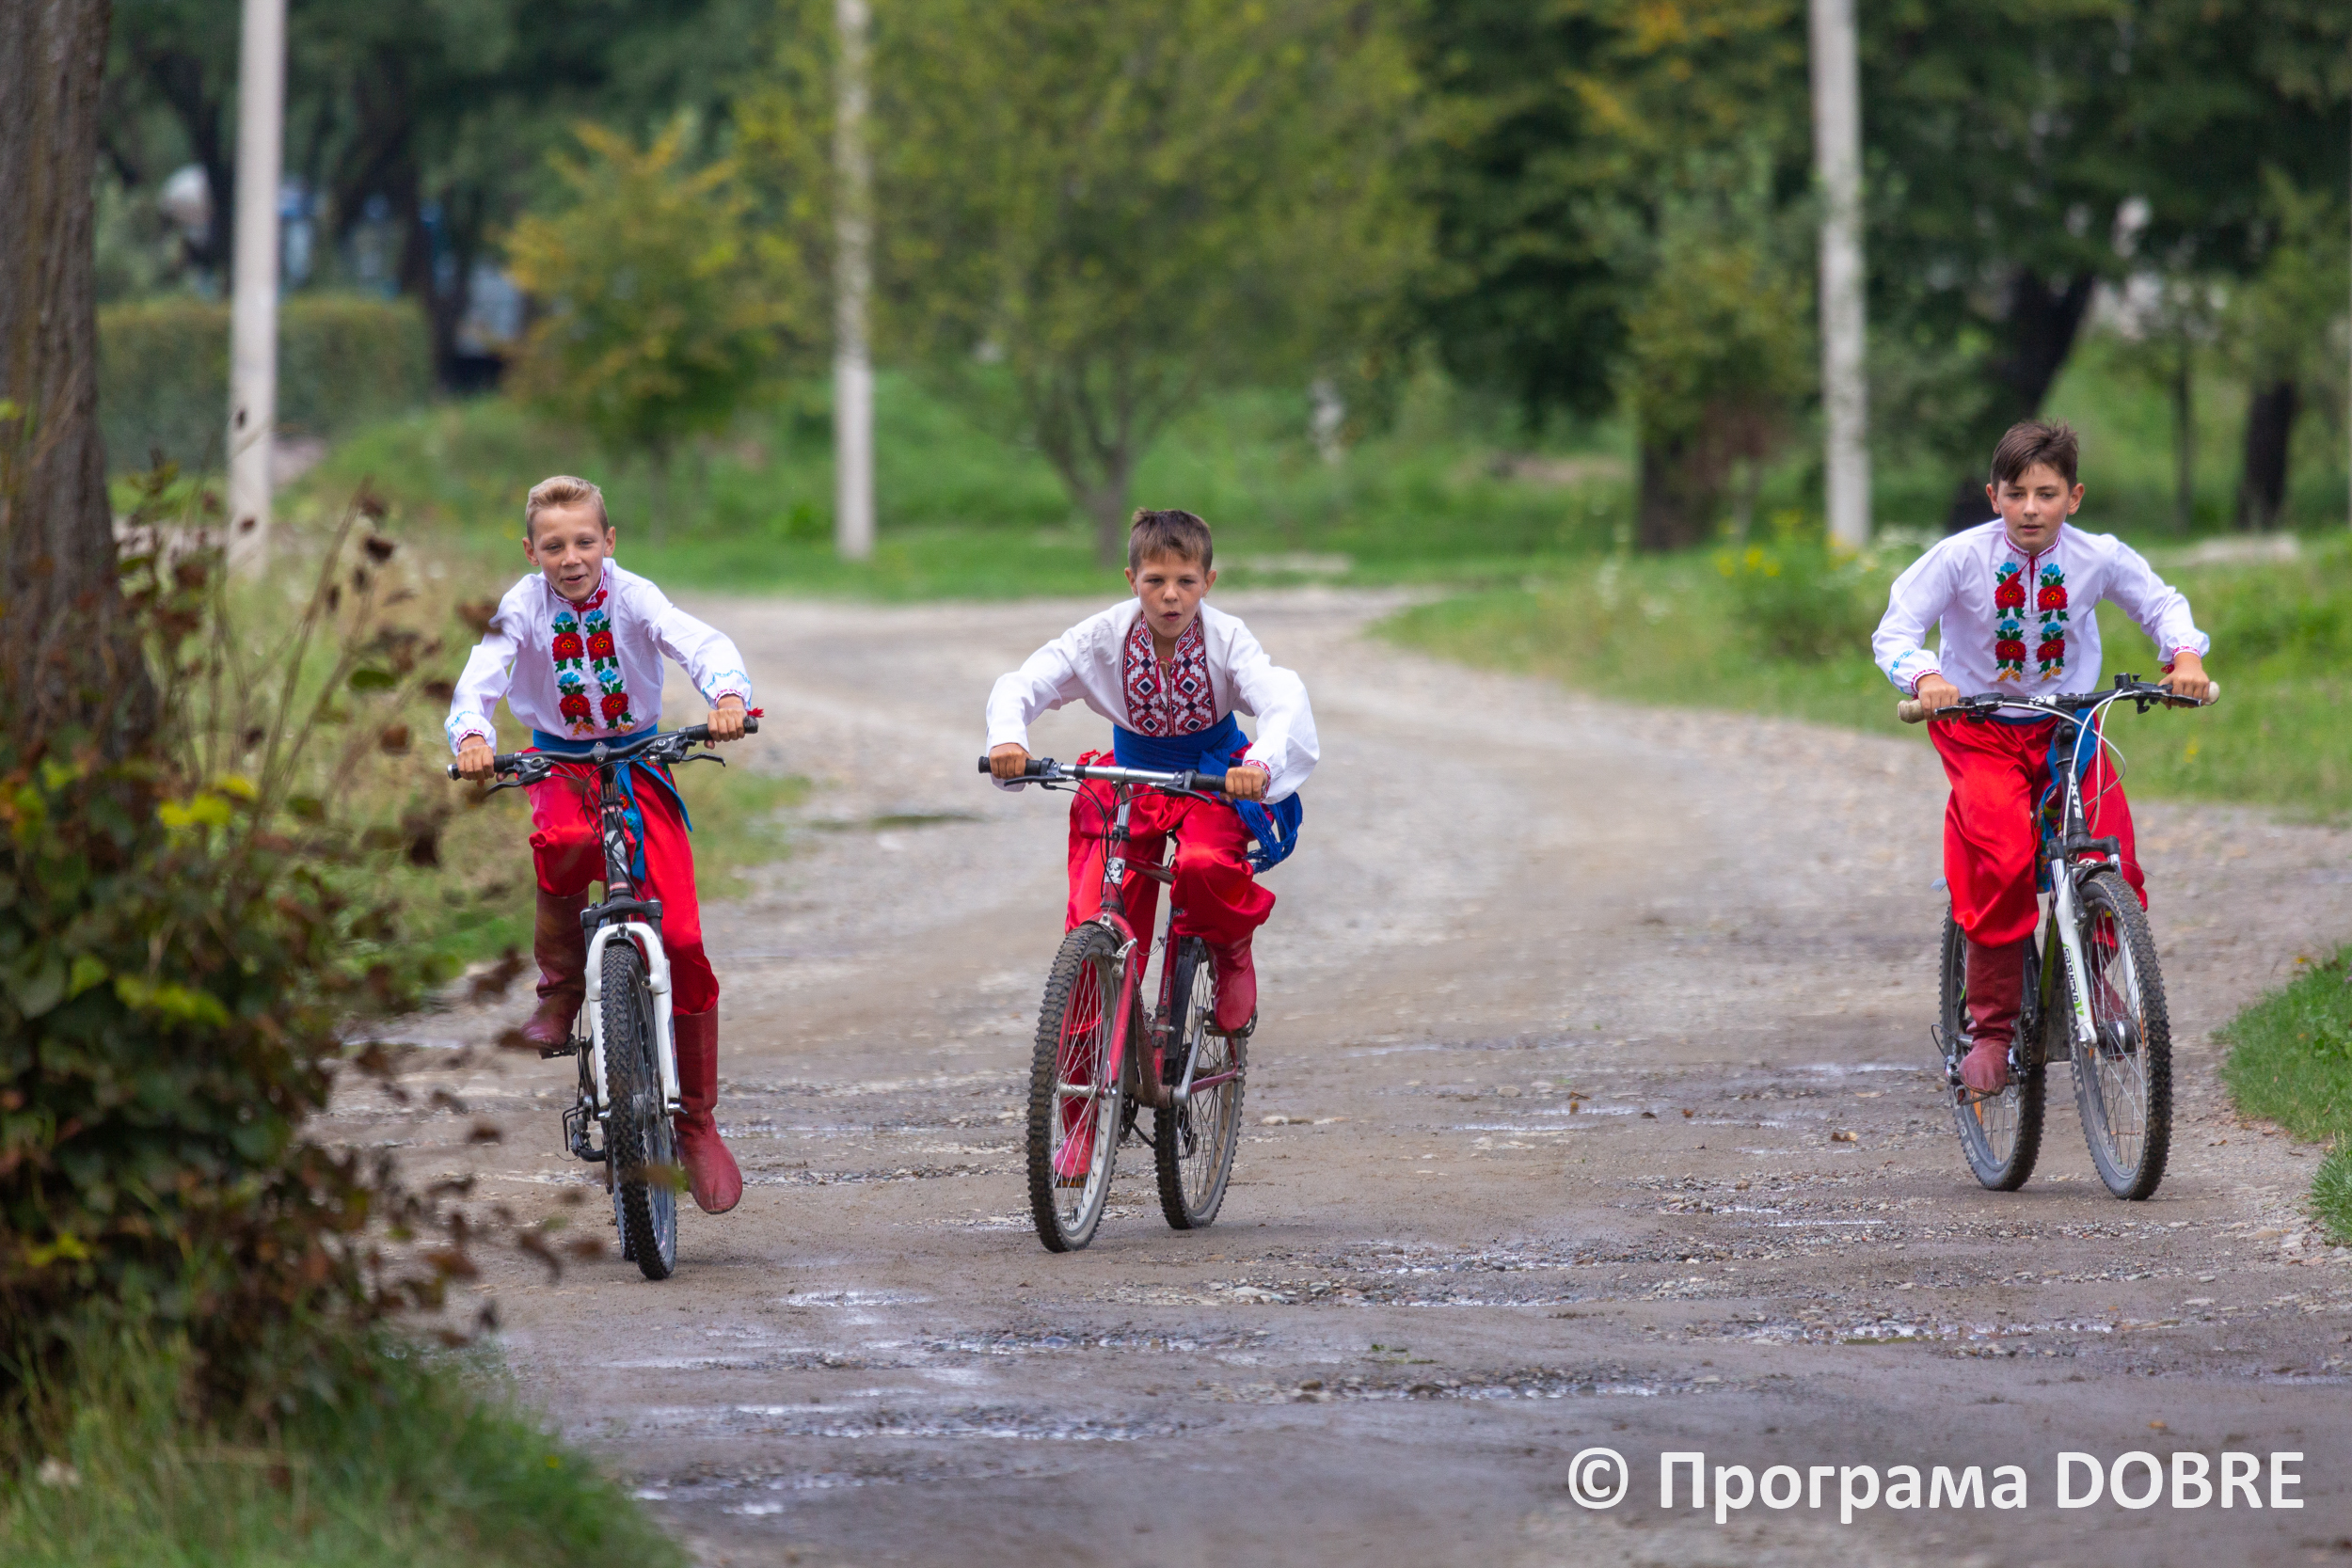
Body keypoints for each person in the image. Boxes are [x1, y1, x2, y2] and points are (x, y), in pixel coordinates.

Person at [1872, 420, 2213, 1095]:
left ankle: (2094, 978)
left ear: (2074, 497)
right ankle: (1992, 1027)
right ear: (1993, 496)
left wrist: (2185, 656)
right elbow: (1897, 629)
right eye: (2017, 493)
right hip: (1980, 727)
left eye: (2047, 494)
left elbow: (2161, 603)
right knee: (1999, 858)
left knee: (2110, 852)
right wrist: (1925, 676)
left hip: (2070, 726)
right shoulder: (1959, 558)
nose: (2031, 508)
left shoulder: (2098, 556)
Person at [446, 475, 755, 1214]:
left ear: (608, 542)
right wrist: (472, 736)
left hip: (641, 759)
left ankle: (697, 1120)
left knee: (682, 937)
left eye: (585, 541)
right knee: (559, 839)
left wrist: (726, 694)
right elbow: (481, 674)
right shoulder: (521, 607)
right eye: (553, 545)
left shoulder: (636, 596)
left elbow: (699, 642)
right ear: (531, 552)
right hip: (559, 763)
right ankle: (561, 984)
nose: (571, 557)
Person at [986, 506, 1317, 1050]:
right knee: (1097, 908)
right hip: (1130, 779)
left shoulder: (1227, 638)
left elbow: (1281, 697)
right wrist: (1007, 738)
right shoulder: (1102, 636)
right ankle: (1085, 1076)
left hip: (1211, 779)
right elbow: (1029, 679)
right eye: (1155, 580)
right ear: (1131, 579)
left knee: (1205, 865)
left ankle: (1231, 951)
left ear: (1208, 582)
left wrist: (1258, 764)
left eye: (1186, 581)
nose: (1170, 596)